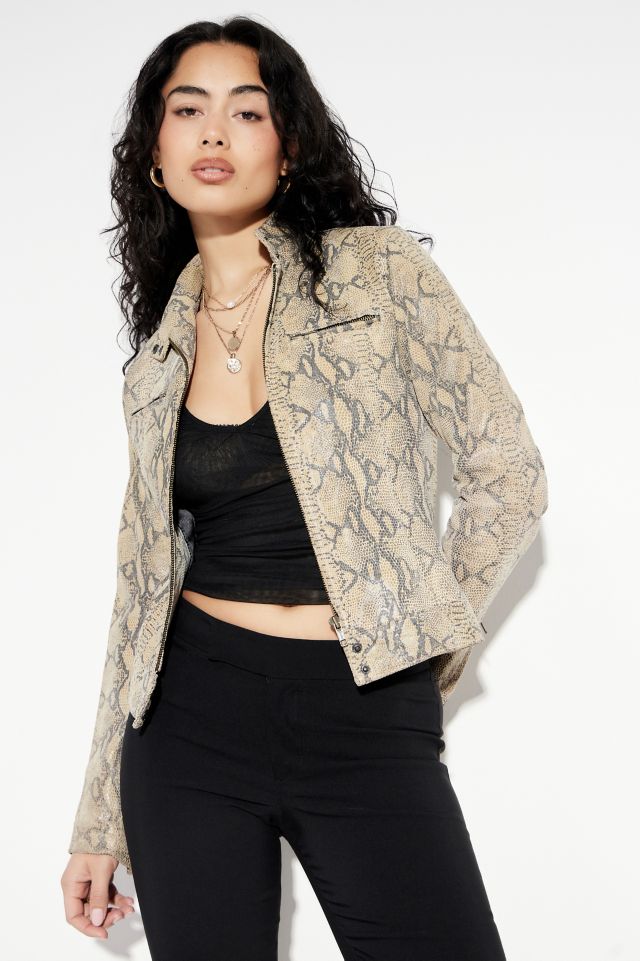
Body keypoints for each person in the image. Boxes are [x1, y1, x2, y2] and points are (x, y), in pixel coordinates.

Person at [60, 16, 548, 960]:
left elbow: (509, 472)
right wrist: (97, 818)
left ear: (287, 148)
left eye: (248, 111)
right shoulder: (157, 361)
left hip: (362, 713)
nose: (214, 131)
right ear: (154, 152)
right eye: (187, 110)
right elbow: (140, 592)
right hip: (188, 722)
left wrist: (413, 645)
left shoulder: (381, 275)